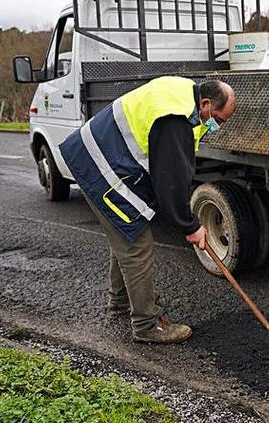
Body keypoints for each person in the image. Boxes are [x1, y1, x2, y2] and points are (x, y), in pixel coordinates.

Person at [59, 76, 236, 344]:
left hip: (96, 157)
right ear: (206, 103)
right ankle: (146, 325)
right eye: (218, 120)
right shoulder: (175, 117)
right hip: (101, 168)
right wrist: (190, 226)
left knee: (125, 236)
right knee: (137, 246)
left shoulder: (184, 94)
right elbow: (171, 181)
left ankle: (119, 301)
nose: (216, 126)